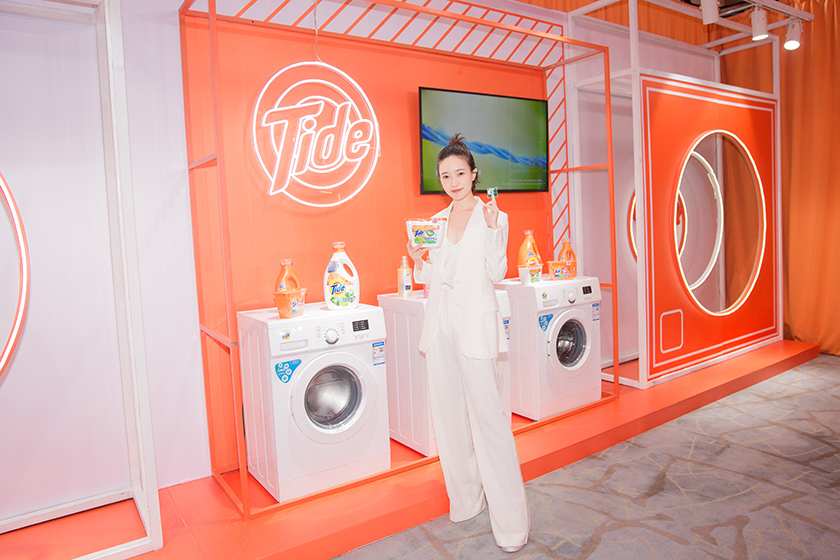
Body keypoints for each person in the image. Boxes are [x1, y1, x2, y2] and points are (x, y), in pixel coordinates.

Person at [406, 134, 530, 553]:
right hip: (441, 327)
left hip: (475, 329)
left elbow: (496, 271)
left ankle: (511, 525)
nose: (454, 181)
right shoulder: (436, 222)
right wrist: (418, 259)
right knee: (450, 420)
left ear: (474, 174)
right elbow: (434, 277)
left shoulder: (494, 216)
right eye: (446, 176)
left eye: (460, 173)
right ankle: (466, 501)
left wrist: (493, 231)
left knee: (490, 423)